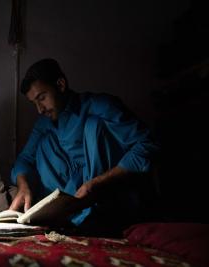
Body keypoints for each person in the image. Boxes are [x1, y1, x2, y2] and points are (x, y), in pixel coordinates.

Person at [9, 58, 160, 236]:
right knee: (44, 144)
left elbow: (148, 144)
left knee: (93, 126)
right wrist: (23, 186)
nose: (40, 109)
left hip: (108, 196)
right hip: (72, 204)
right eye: (34, 103)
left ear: (61, 84)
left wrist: (97, 183)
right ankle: (67, 219)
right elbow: (24, 160)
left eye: (42, 98)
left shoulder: (101, 105)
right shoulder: (45, 123)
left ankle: (102, 218)